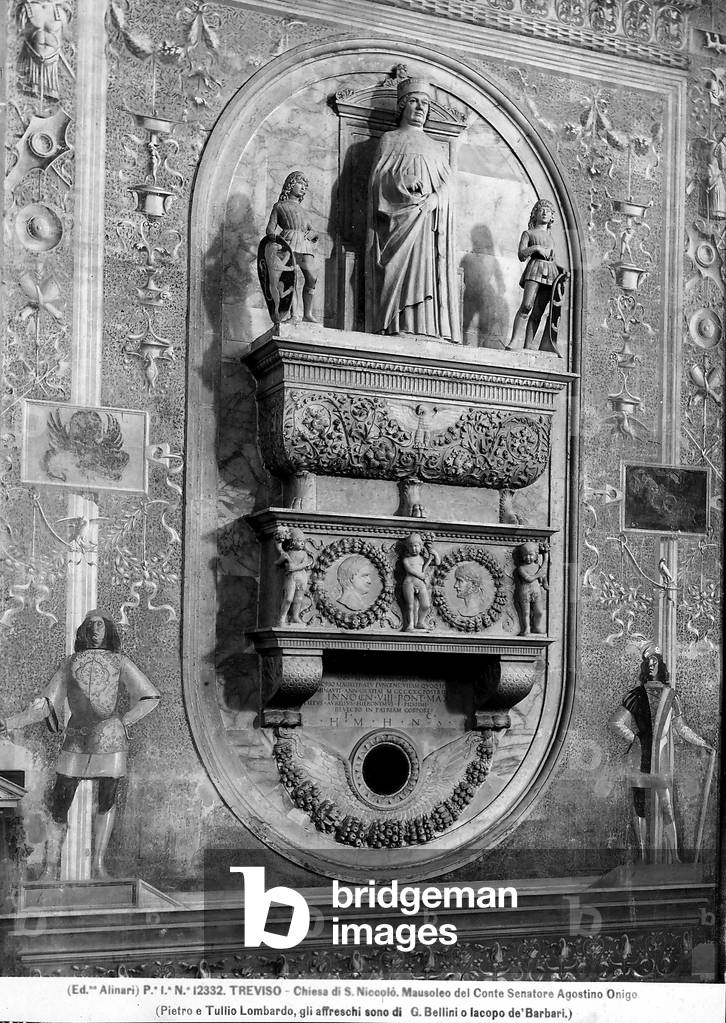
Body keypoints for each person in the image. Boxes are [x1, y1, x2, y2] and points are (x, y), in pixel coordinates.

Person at [0, 610, 160, 879]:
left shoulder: (119, 661)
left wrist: (125, 720)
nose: (95, 630)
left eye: (100, 625)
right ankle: (51, 867)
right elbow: (46, 704)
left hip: (110, 736)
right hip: (76, 737)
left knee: (106, 801)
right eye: (91, 625)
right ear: (83, 630)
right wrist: (12, 722)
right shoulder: (70, 662)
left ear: (108, 629)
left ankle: (98, 865)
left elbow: (150, 695)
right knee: (59, 802)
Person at [367, 76, 460, 342]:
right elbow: (377, 181)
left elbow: (449, 187)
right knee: (401, 271)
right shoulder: (390, 139)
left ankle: (427, 328)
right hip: (400, 220)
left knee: (427, 271)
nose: (421, 108)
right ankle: (399, 324)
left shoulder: (435, 148)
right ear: (401, 107)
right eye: (414, 102)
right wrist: (399, 182)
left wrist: (435, 200)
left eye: (425, 104)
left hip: (428, 222)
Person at [610, 647, 713, 862]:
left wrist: (702, 743)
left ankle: (673, 856)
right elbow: (616, 722)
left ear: (661, 665)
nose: (651, 664)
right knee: (639, 809)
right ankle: (643, 856)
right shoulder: (635, 695)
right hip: (639, 760)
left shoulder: (671, 696)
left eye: (655, 660)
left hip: (661, 761)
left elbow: (681, 728)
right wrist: (634, 739)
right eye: (648, 661)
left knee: (667, 807)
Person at [507, 198, 565, 352]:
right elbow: (521, 254)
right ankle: (514, 341)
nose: (545, 212)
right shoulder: (528, 233)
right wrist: (536, 248)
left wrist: (563, 272)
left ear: (552, 216)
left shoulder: (553, 237)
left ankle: (528, 345)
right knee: (526, 306)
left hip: (551, 273)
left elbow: (556, 258)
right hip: (534, 270)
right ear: (535, 214)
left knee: (538, 311)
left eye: (548, 211)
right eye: (541, 210)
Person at [265, 171, 318, 322]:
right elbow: (270, 228)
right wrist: (272, 236)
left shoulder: (303, 210)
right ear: (290, 184)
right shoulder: (279, 206)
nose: (303, 188)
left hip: (304, 243)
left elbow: (312, 229)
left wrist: (313, 234)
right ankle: (295, 314)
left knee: (312, 277)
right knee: (291, 278)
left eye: (305, 186)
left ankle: (307, 314)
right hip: (288, 241)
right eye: (300, 183)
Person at [400, 532, 439, 632]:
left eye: (416, 546)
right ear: (408, 548)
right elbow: (409, 570)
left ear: (421, 546)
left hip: (420, 584)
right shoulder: (406, 559)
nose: (414, 549)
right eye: (411, 547)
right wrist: (419, 575)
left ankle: (420, 622)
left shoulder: (422, 559)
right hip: (409, 583)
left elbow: (437, 563)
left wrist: (435, 554)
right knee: (410, 605)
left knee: (426, 605)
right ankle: (410, 624)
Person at [274, 526, 313, 625]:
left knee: (298, 599)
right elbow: (277, 563)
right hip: (291, 577)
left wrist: (294, 568)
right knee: (288, 598)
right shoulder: (287, 553)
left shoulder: (304, 554)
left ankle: (295, 616)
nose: (302, 543)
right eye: (299, 541)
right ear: (292, 542)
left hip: (301, 577)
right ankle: (282, 618)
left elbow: (304, 564)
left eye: (303, 542)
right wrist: (282, 559)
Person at [513, 541, 548, 636]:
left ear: (536, 555)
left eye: (531, 555)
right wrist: (538, 575)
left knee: (539, 611)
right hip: (525, 591)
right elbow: (528, 579)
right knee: (526, 612)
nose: (528, 557)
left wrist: (545, 584)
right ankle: (526, 629)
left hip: (536, 591)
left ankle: (536, 627)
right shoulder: (521, 568)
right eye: (525, 555)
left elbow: (543, 575)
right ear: (522, 556)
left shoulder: (537, 566)